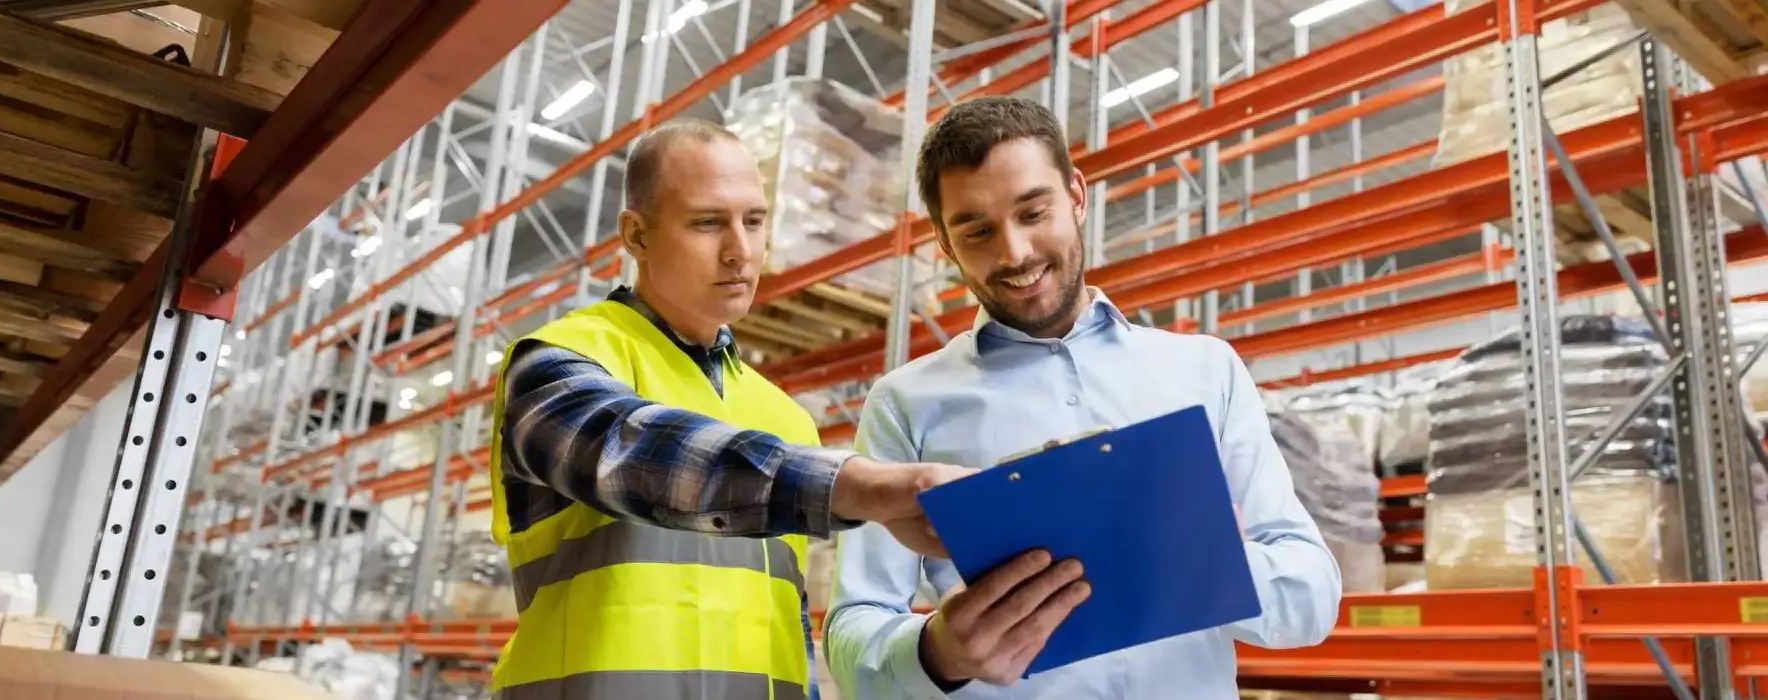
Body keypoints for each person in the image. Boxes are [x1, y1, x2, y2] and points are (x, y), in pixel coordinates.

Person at [821, 97, 1342, 699]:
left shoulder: (1204, 371)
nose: (1014, 253)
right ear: (943, 242)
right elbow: (853, 624)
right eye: (977, 231)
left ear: (1076, 194)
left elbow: (1311, 598)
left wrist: (1194, 557)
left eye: (1033, 211)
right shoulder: (904, 403)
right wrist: (936, 651)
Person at [484, 118, 973, 700]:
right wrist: (856, 485)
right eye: (708, 223)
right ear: (636, 236)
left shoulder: (786, 419)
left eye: (755, 221)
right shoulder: (557, 364)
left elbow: (786, 625)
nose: (740, 251)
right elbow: (625, 450)